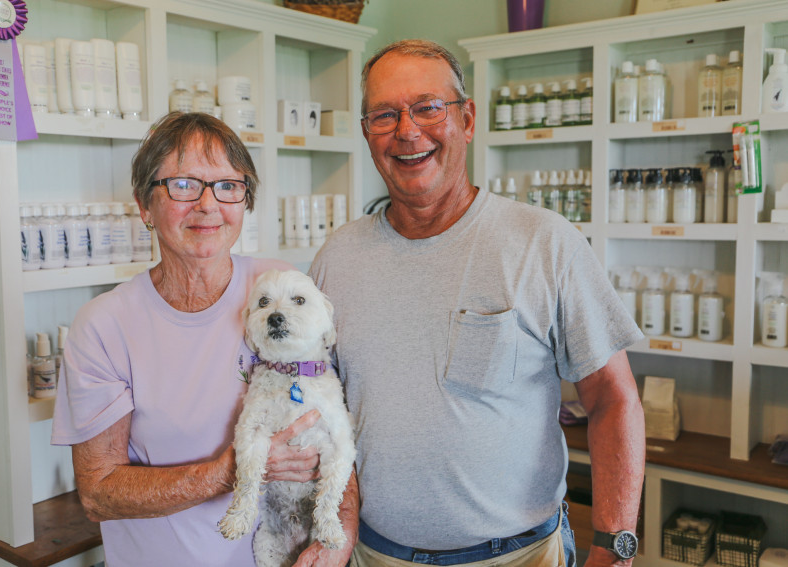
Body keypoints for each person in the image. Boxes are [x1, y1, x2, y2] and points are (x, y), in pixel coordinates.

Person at [309, 40, 645, 567]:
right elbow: (324, 415)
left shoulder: (544, 242)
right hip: (373, 556)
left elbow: (613, 399)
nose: (407, 131)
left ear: (466, 119)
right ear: (367, 133)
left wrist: (616, 546)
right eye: (384, 115)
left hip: (522, 555)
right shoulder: (336, 260)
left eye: (428, 107)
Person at [51, 112, 357, 567]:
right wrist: (231, 471)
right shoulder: (104, 326)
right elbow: (99, 493)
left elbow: (332, 424)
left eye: (228, 185)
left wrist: (342, 532)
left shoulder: (280, 289)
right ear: (144, 204)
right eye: (183, 184)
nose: (208, 204)